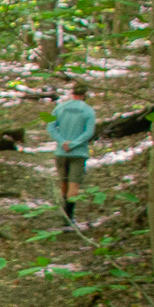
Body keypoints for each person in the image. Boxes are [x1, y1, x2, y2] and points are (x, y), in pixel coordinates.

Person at [49, 80, 97, 227]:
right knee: (74, 185)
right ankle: (69, 218)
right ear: (84, 95)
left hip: (61, 152)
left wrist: (63, 142)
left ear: (73, 93)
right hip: (79, 153)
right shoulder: (89, 111)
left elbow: (50, 128)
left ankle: (64, 214)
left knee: (63, 183)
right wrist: (74, 144)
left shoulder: (60, 107)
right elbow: (89, 132)